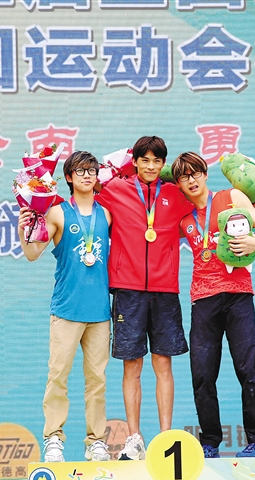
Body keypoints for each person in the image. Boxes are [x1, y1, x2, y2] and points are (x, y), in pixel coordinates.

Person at [171, 151, 255, 458]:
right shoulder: (184, 220)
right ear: (178, 184)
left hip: (238, 294)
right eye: (183, 177)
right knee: (203, 375)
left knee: (248, 368)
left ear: (205, 174)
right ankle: (209, 443)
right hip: (202, 299)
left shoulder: (231, 197)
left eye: (195, 173)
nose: (191, 180)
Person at [95, 136, 191, 460]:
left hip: (165, 290)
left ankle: (165, 438)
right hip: (128, 289)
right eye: (145, 160)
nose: (150, 166)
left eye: (157, 161)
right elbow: (83, 203)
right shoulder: (115, 190)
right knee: (131, 366)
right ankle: (134, 439)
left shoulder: (176, 195)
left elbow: (205, 205)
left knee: (163, 364)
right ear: (134, 161)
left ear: (163, 164)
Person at [18, 151, 112, 463]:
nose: (87, 175)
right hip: (67, 310)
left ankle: (96, 441)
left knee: (97, 381)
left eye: (92, 170)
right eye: (80, 171)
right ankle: (53, 439)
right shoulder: (57, 213)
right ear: (69, 177)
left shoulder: (107, 215)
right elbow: (32, 253)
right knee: (58, 376)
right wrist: (22, 228)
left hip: (99, 312)